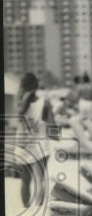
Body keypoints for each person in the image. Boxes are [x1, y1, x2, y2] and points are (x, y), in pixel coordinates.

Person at [14, 72, 55, 208]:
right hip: (40, 145)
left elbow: (19, 118)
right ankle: (38, 214)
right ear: (36, 86)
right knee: (40, 181)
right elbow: (52, 128)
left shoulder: (18, 103)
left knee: (25, 182)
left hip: (23, 145)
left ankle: (26, 210)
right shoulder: (45, 103)